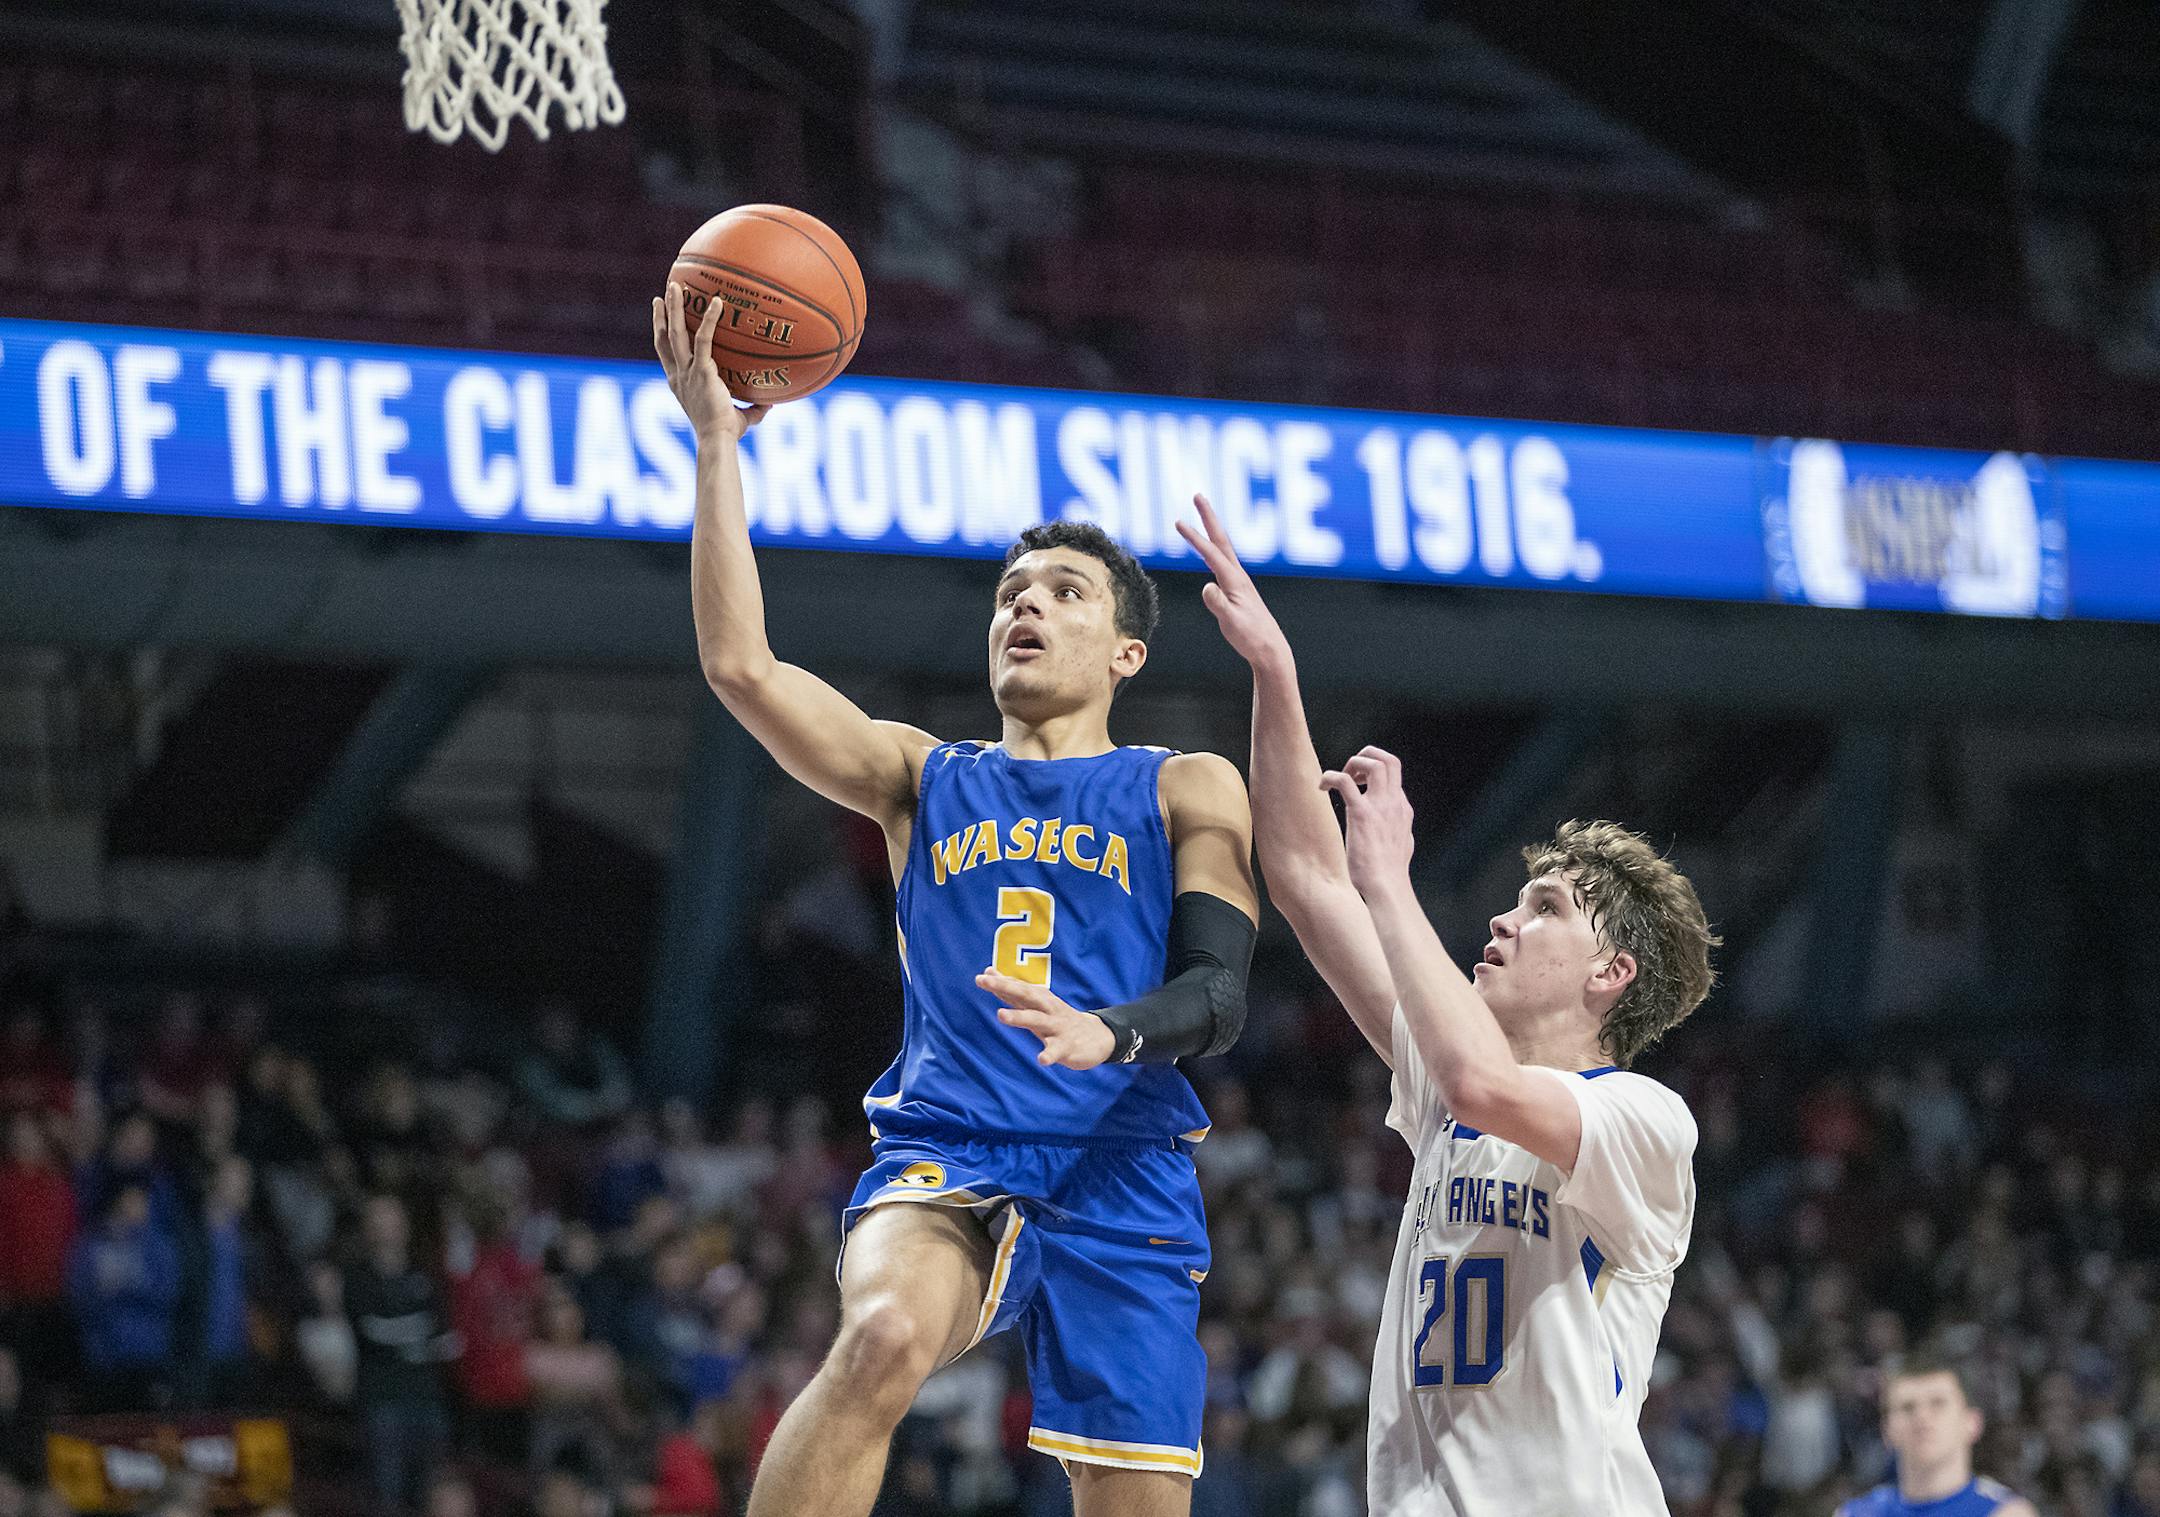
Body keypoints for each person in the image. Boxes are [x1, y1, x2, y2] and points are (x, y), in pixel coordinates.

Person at [653, 284, 1258, 1517]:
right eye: (1011, 591)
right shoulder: (921, 777)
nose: (1025, 603)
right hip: (956, 1147)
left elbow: (1222, 987)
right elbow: (740, 666)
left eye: (1064, 592)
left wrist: (1116, 1030)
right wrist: (719, 447)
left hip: (1123, 1161)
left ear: (1126, 654)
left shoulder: (1186, 783)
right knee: (877, 1340)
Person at [1180, 496, 1715, 1516]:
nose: (1506, 922)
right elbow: (1302, 872)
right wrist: (1277, 673)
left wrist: (1392, 879)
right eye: (1517, 900)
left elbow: (1482, 1081)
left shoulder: (1643, 1123)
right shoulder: (1446, 1076)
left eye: (1546, 908)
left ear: (1613, 974)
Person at [1836, 1359, 2037, 1517]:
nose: (1922, 1418)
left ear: (1971, 1422)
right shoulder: (1858, 1513)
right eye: (1908, 1407)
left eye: (1938, 1403)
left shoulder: (2005, 1512)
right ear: (1887, 1431)